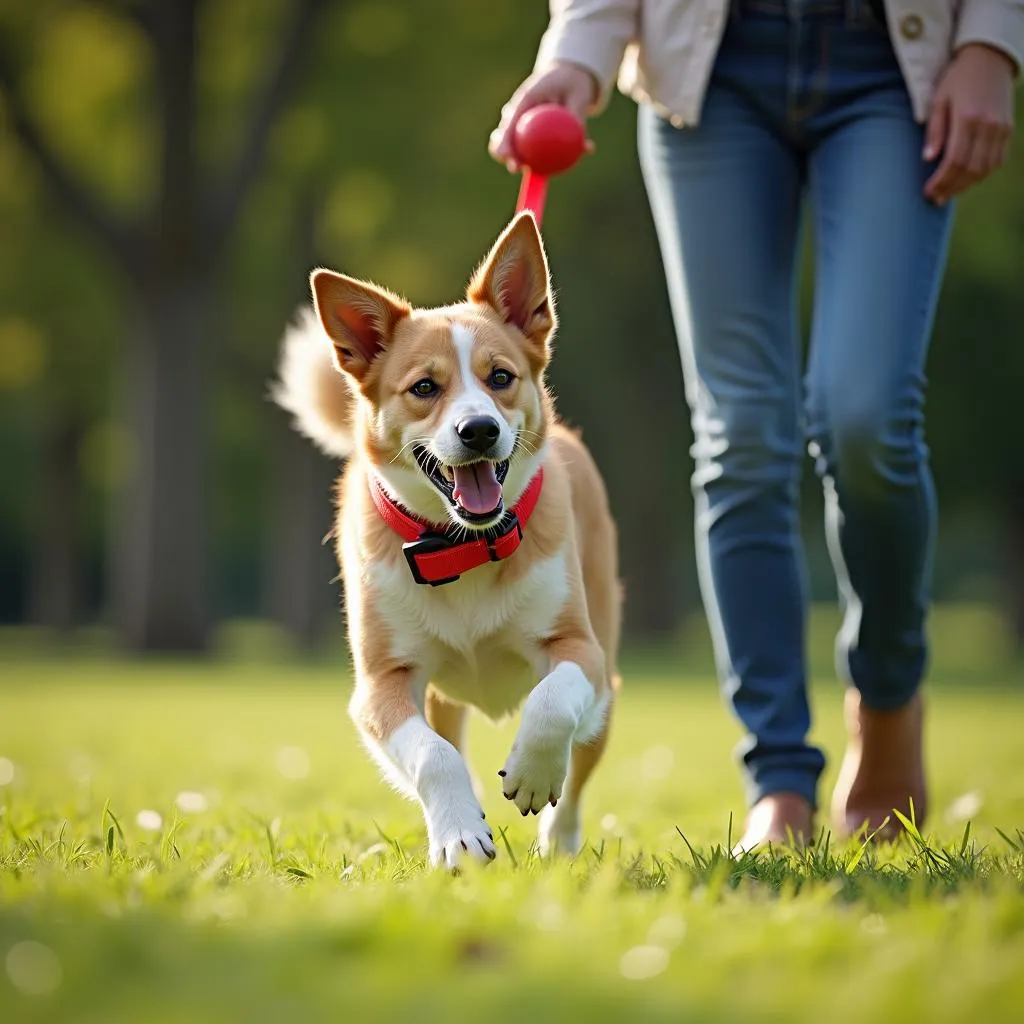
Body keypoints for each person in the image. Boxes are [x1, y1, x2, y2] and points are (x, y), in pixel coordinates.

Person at [489, 0, 1021, 851]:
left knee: (868, 417)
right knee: (742, 436)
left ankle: (886, 705)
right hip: (709, 71)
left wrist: (993, 40)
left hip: (895, 62)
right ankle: (779, 777)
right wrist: (577, 56)